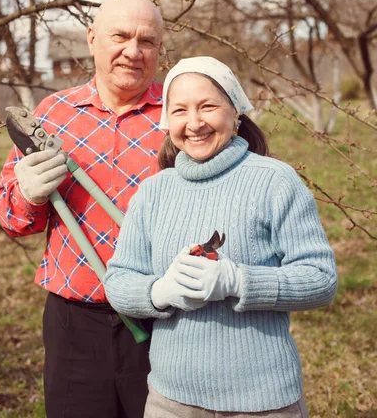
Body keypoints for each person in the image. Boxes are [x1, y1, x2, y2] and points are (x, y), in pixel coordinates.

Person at [104, 56, 338, 418]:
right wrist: (160, 291)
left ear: (235, 113)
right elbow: (118, 282)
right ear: (168, 122)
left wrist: (239, 281)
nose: (194, 123)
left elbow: (321, 280)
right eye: (180, 110)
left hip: (264, 401)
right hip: (171, 401)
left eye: (208, 106)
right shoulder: (152, 193)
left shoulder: (275, 181)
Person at [0, 0, 166, 418]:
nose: (133, 51)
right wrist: (29, 193)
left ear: (159, 50)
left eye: (147, 41)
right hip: (75, 321)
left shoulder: (180, 115)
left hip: (162, 315)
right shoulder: (53, 113)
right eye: (120, 36)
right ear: (92, 39)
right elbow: (12, 219)